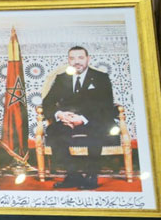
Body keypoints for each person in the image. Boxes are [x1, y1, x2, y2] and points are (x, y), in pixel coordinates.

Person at [42, 46, 117, 190]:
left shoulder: (101, 77)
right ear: (68, 60)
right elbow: (47, 103)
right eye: (72, 58)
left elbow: (106, 105)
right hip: (68, 121)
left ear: (88, 59)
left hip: (93, 120)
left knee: (97, 129)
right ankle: (73, 176)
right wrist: (60, 115)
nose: (76, 62)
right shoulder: (62, 78)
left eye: (81, 58)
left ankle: (91, 176)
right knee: (53, 131)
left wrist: (82, 119)